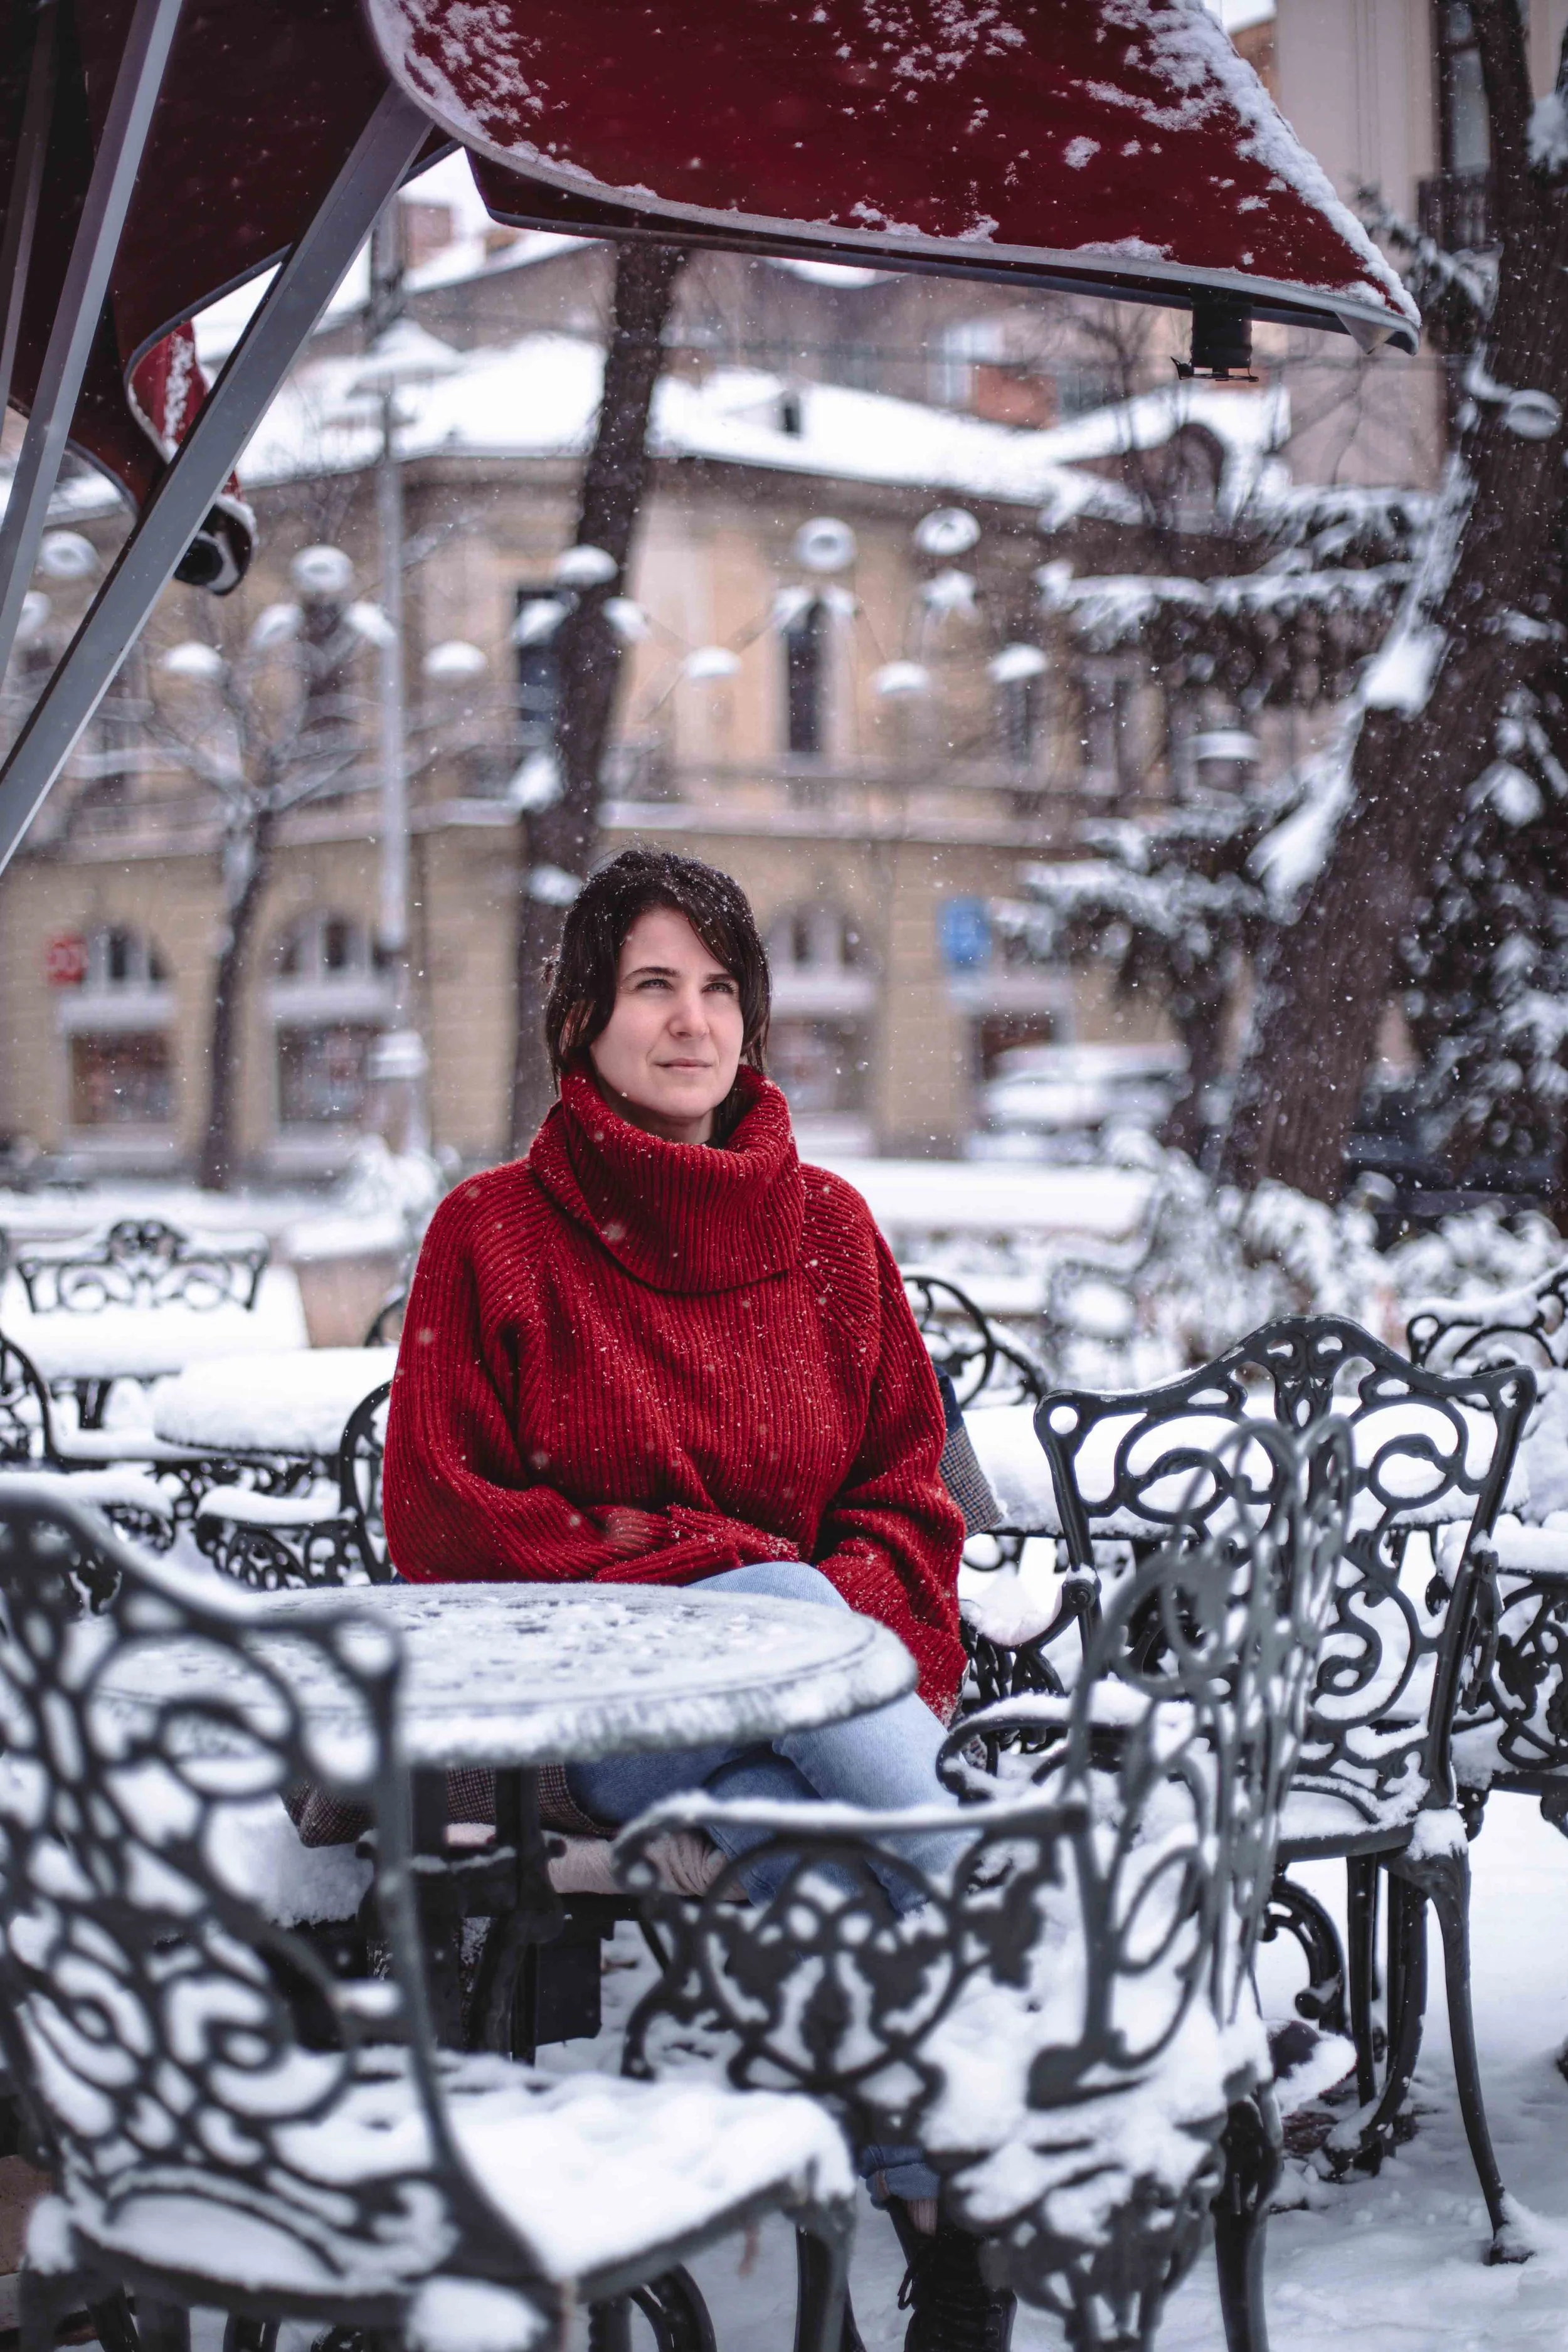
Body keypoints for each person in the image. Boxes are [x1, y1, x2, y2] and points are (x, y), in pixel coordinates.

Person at [383, 846, 1013, 2352]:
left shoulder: (832, 1234)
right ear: (582, 1019)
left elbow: (903, 1494)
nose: (691, 1021)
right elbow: (446, 1519)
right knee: (775, 1605)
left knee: (792, 1859)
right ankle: (1027, 1948)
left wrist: (803, 1602)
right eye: (652, 986)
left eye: (719, 988)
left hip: (808, 1713)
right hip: (603, 1714)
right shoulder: (493, 1234)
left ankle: (930, 2211)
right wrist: (721, 1578)